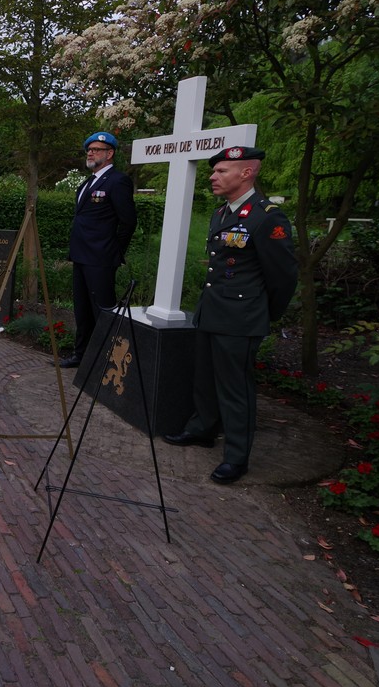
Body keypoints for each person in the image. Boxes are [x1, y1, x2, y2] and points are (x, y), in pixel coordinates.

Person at [164, 146, 298, 484]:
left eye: (222, 170)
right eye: (214, 171)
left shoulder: (267, 217)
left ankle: (237, 458)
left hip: (241, 318)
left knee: (235, 389)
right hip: (213, 311)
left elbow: (283, 276)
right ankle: (202, 429)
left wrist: (262, 314)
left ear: (246, 173)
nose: (213, 176)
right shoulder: (222, 213)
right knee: (205, 378)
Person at [61, 131, 137, 368]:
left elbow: (128, 221)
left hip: (101, 258)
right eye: (89, 150)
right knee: (82, 310)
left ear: (109, 153)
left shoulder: (117, 181)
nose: (90, 153)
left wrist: (113, 251)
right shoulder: (88, 182)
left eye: (96, 150)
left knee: (102, 311)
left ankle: (107, 363)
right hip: (81, 256)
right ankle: (82, 356)